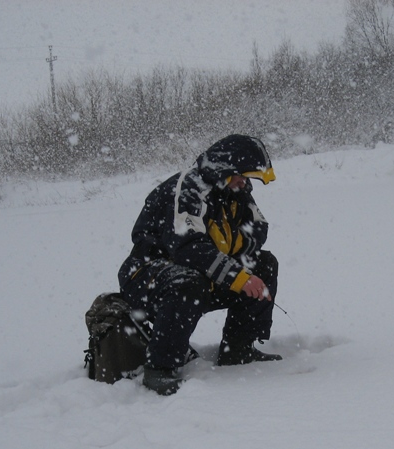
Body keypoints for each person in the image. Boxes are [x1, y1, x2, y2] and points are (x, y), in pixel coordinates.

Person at [118, 134, 282, 395]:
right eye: (242, 176)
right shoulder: (187, 188)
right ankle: (160, 369)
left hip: (199, 273)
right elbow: (188, 247)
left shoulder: (237, 190)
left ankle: (238, 349)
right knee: (187, 282)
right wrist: (236, 275)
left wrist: (225, 252)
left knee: (264, 264)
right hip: (147, 276)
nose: (245, 182)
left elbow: (258, 229)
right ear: (225, 168)